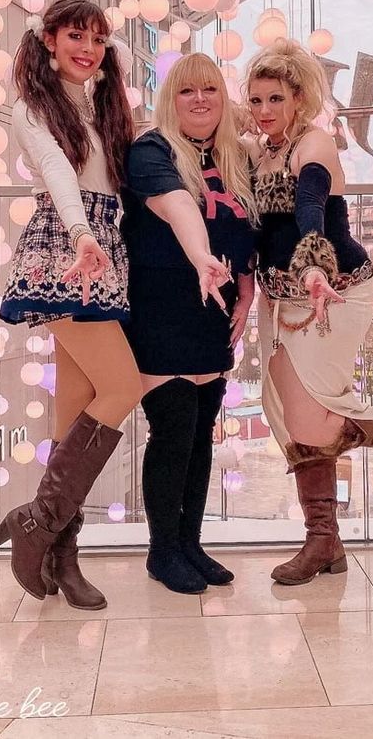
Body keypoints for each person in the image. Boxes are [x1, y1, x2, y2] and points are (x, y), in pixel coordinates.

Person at [246, 40, 373, 586]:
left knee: (314, 419)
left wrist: (314, 263)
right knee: (298, 424)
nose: (264, 110)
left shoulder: (313, 143)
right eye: (256, 100)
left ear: (298, 99)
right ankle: (327, 544)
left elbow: (310, 203)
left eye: (275, 98)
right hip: (283, 297)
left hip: (331, 293)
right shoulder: (259, 149)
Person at [0, 0, 142, 610]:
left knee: (72, 410)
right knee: (124, 386)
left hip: (101, 251)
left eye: (99, 38)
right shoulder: (32, 106)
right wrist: (83, 236)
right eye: (76, 35)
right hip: (64, 249)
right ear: (49, 40)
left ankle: (58, 549)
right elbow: (56, 170)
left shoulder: (105, 105)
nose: (88, 47)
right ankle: (39, 521)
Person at [122, 54, 256, 594]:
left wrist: (244, 287)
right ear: (169, 99)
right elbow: (178, 206)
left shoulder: (234, 159)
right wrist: (202, 257)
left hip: (214, 312)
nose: (199, 100)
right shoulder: (152, 150)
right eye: (186, 91)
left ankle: (191, 543)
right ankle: (162, 552)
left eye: (210, 90)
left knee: (202, 434)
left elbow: (246, 234)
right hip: (161, 308)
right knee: (173, 431)